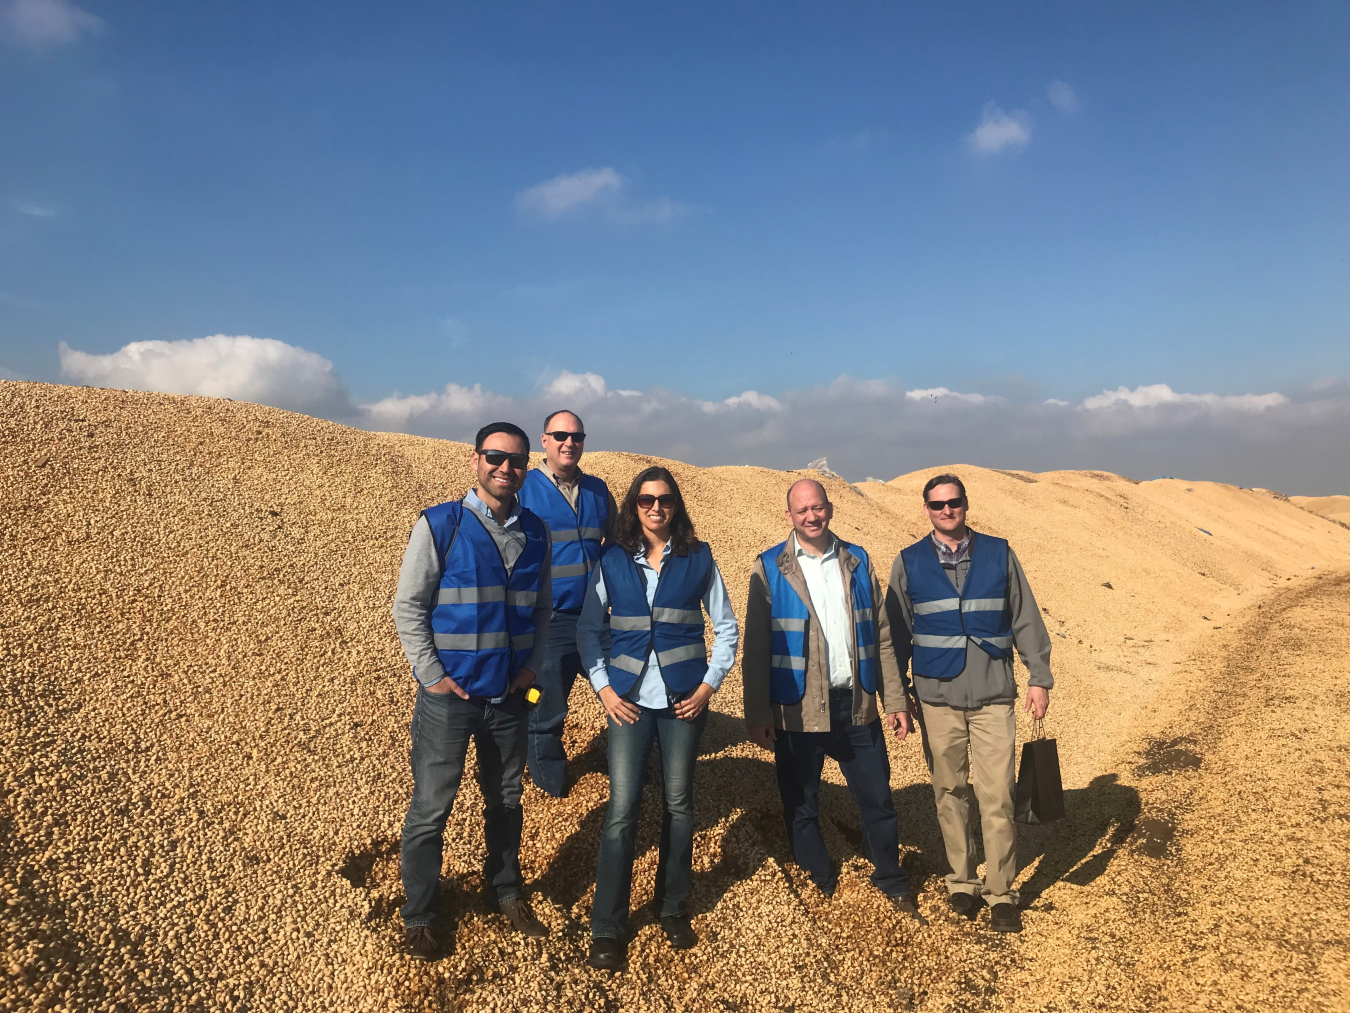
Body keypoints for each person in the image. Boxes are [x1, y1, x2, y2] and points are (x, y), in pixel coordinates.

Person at [392, 422, 553, 962]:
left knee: (507, 799)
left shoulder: (536, 531)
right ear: (475, 460)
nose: (505, 468)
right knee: (431, 809)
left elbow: (542, 609)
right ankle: (418, 913)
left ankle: (505, 890)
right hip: (448, 702)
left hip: (509, 700)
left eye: (516, 461)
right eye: (495, 457)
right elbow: (410, 606)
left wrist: (530, 669)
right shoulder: (441, 524)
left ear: (527, 467)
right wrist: (431, 674)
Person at [576, 466, 739, 970]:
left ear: (676, 505)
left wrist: (707, 688)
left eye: (664, 499)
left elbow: (727, 629)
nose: (655, 507)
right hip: (626, 704)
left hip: (680, 703)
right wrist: (604, 691)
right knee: (622, 810)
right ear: (633, 505)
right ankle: (608, 925)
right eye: (646, 499)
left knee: (678, 805)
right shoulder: (611, 560)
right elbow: (587, 631)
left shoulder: (699, 557)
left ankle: (672, 907)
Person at [742, 479, 924, 920]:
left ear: (831, 509)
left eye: (818, 507)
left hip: (856, 705)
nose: (811, 516)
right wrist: (757, 713)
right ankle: (818, 878)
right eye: (802, 510)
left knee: (878, 799)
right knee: (801, 802)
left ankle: (891, 879)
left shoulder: (857, 560)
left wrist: (895, 699)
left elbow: (881, 636)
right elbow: (757, 648)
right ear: (789, 516)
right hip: (797, 710)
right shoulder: (770, 567)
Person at [885, 473, 1054, 934]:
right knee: (949, 793)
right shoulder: (909, 562)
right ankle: (961, 882)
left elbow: (1025, 617)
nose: (947, 511)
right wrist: (897, 697)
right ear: (926, 510)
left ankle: (1002, 893)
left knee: (996, 796)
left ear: (965, 504)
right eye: (937, 505)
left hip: (994, 697)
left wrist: (1039, 676)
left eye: (954, 502)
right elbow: (893, 637)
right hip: (937, 699)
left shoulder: (999, 553)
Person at [517, 409, 618, 798]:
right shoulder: (524, 489)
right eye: (560, 435)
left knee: (625, 693)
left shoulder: (598, 490)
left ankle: (627, 772)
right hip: (551, 621)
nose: (568, 443)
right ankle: (550, 784)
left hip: (598, 619)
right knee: (545, 709)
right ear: (544, 440)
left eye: (576, 436)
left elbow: (616, 545)